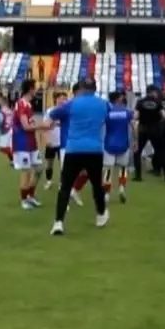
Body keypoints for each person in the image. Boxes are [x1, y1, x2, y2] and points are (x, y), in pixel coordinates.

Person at [49, 78, 111, 236]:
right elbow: (109, 118)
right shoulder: (103, 104)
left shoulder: (72, 103)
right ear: (95, 88)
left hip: (74, 149)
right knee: (97, 185)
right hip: (94, 149)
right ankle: (100, 215)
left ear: (81, 88)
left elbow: (54, 114)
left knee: (65, 186)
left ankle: (58, 222)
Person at [11, 80, 43, 210]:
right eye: (35, 88)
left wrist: (39, 130)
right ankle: (24, 200)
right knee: (26, 171)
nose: (36, 90)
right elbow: (25, 126)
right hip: (22, 143)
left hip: (31, 142)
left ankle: (30, 195)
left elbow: (31, 123)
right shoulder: (21, 104)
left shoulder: (28, 105)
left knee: (39, 169)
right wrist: (43, 126)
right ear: (30, 89)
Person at [101, 91, 136, 204]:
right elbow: (134, 126)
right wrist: (135, 141)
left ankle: (106, 194)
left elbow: (99, 126)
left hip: (109, 144)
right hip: (123, 144)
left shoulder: (106, 112)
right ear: (118, 99)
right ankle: (121, 188)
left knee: (108, 170)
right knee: (123, 168)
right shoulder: (127, 112)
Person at [134, 86, 165, 182]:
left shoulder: (140, 102)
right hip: (155, 129)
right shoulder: (157, 102)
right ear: (152, 92)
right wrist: (158, 121)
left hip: (143, 129)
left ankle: (138, 176)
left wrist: (142, 118)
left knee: (137, 152)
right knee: (160, 152)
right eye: (156, 92)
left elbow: (136, 116)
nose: (157, 93)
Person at [41, 92, 67, 190]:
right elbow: (44, 127)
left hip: (63, 143)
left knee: (63, 165)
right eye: (60, 98)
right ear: (55, 99)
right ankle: (49, 181)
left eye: (64, 99)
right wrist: (47, 140)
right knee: (49, 163)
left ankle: (62, 183)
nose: (62, 101)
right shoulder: (50, 111)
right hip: (51, 142)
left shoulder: (67, 111)